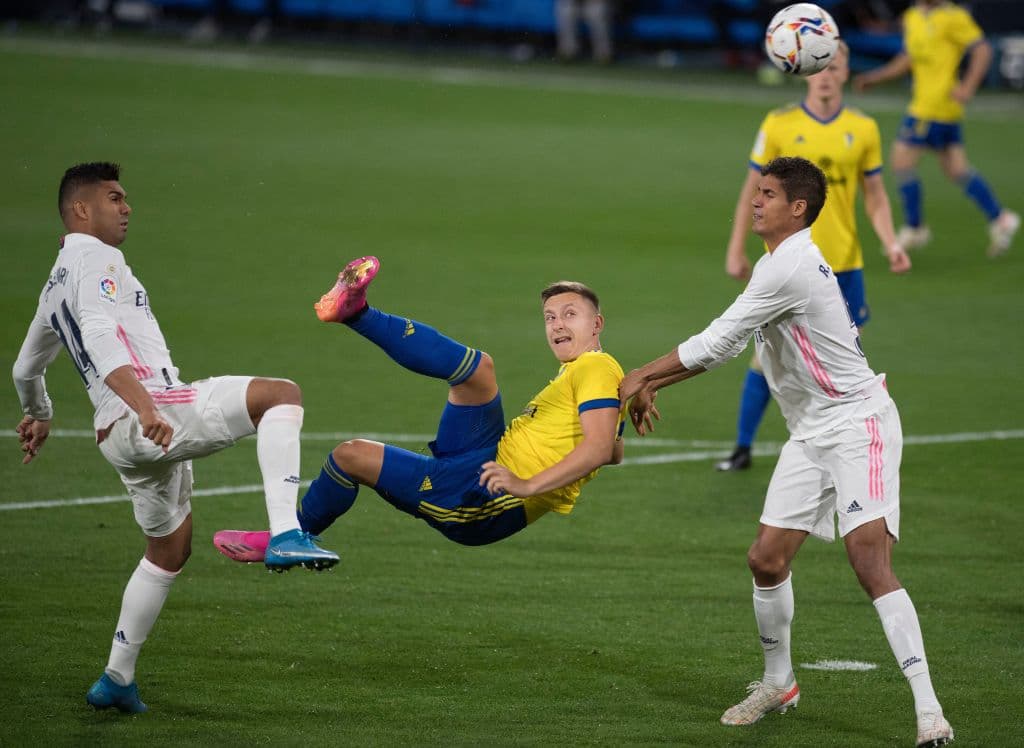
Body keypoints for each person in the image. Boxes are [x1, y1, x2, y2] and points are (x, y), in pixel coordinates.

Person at [620, 157, 953, 747]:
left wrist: (641, 375)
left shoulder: (791, 266)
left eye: (767, 194)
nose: (755, 201)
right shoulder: (779, 263)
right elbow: (728, 344)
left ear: (796, 208)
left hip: (858, 425)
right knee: (766, 560)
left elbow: (720, 340)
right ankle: (780, 683)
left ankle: (930, 714)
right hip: (812, 432)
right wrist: (650, 383)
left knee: (868, 562)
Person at [11, 162, 338, 714]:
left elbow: (25, 368)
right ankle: (286, 532)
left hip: (116, 437)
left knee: (168, 549)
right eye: (114, 198)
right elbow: (96, 338)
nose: (127, 207)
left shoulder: (54, 284)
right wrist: (144, 406)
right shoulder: (97, 261)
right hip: (149, 411)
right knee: (280, 394)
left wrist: (37, 412)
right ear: (81, 210)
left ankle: (117, 677)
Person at [213, 256, 625, 558]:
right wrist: (627, 401)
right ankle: (355, 311)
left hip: (483, 500)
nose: (556, 325)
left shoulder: (596, 367)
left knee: (349, 456)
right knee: (477, 370)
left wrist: (528, 486)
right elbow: (612, 449)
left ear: (597, 324)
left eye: (569, 315)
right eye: (550, 317)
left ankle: (286, 536)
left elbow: (600, 449)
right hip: (487, 456)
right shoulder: (588, 373)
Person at [717, 40, 911, 472]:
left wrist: (891, 241)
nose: (826, 73)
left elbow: (875, 196)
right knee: (768, 355)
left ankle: (845, 444)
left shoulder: (863, 128)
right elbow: (752, 188)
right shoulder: (780, 123)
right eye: (820, 65)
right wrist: (736, 248)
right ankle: (742, 447)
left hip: (844, 265)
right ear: (804, 69)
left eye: (835, 65)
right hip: (790, 265)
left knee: (844, 363)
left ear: (844, 71)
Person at [854, 0, 1020, 258]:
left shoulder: (953, 17)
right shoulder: (912, 17)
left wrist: (968, 87)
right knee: (957, 169)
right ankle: (1000, 218)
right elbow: (907, 58)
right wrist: (875, 78)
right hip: (932, 107)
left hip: (934, 107)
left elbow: (983, 50)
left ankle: (915, 226)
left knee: (901, 163)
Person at [555, 0, 617, 64]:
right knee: (566, 9)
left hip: (600, 3)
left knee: (597, 12)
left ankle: (604, 55)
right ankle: (568, 53)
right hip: (577, 4)